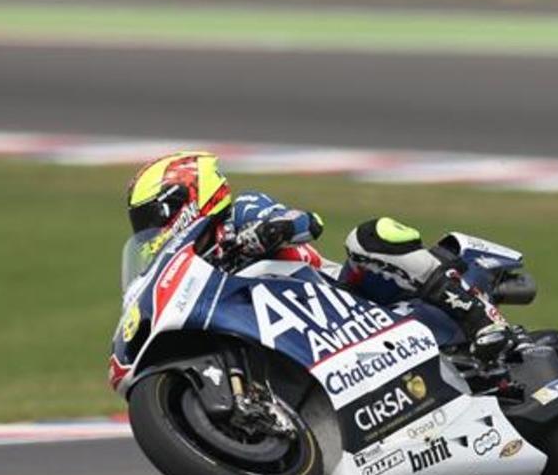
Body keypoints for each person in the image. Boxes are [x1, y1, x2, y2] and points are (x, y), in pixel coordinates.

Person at [125, 151, 515, 360]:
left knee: (369, 236)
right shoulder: (192, 269)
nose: (152, 229)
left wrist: (264, 232)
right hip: (306, 341)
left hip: (348, 300)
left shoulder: (241, 212)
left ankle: (482, 319)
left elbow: (305, 222)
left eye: (155, 216)